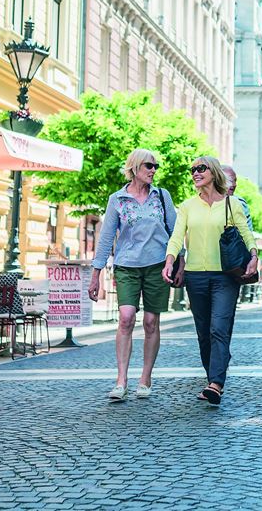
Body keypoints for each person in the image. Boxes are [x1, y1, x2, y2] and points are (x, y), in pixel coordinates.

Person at [89, 149, 184, 402]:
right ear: (134, 167)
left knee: (151, 322)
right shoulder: (117, 199)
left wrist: (180, 263)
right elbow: (106, 238)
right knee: (126, 318)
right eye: (148, 166)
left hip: (158, 266)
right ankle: (121, 380)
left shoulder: (161, 196)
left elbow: (175, 232)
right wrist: (95, 274)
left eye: (155, 166)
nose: (153, 170)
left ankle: (145, 378)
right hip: (127, 266)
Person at [163, 156, 257, 405]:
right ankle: (212, 377)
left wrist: (254, 256)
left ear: (213, 173)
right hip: (195, 276)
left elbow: (246, 234)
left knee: (219, 328)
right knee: (204, 333)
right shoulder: (187, 206)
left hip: (225, 276)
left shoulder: (232, 204)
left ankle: (216, 383)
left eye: (201, 168)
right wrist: (170, 261)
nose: (195, 173)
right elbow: (176, 237)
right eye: (193, 169)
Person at [222, 165, 254, 233]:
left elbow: (247, 232)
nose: (234, 184)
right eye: (230, 180)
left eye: (235, 180)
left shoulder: (240, 203)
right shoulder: (202, 202)